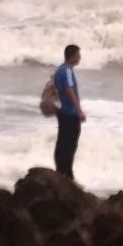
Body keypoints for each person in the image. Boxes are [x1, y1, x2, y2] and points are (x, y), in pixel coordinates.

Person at [53, 44, 85, 180]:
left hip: (63, 112)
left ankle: (62, 171)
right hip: (69, 113)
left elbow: (55, 89)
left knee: (62, 142)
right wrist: (79, 110)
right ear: (72, 56)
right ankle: (66, 173)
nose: (80, 57)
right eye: (78, 55)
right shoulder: (67, 70)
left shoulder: (60, 70)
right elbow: (69, 90)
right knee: (70, 144)